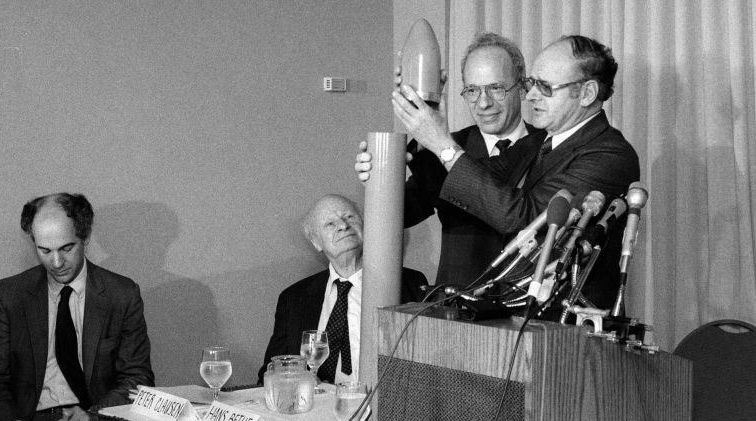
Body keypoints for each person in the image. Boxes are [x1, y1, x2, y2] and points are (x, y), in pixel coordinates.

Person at [392, 34, 640, 312]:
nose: (532, 94)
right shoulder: (541, 144)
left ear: (587, 93)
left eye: (545, 87)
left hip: (560, 329)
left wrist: (441, 144)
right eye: (533, 84)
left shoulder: (610, 153)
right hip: (498, 320)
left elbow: (524, 217)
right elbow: (480, 180)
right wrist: (394, 160)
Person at [0, 193, 154, 421]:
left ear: (85, 237)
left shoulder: (121, 294)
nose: (56, 263)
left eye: (66, 248)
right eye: (44, 251)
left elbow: (138, 378)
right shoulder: (9, 295)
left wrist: (95, 415)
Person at [356, 32, 542, 288]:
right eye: (473, 90)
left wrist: (441, 144)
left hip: (522, 304)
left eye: (496, 88)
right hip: (456, 304)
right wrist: (379, 180)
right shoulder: (449, 144)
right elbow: (403, 214)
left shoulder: (548, 146)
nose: (484, 103)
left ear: (522, 89)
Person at [258, 194, 427, 384]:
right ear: (316, 241)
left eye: (349, 217)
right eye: (330, 224)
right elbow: (271, 371)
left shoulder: (410, 284)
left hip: (383, 405)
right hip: (315, 407)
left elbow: (426, 366)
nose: (343, 226)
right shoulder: (294, 298)